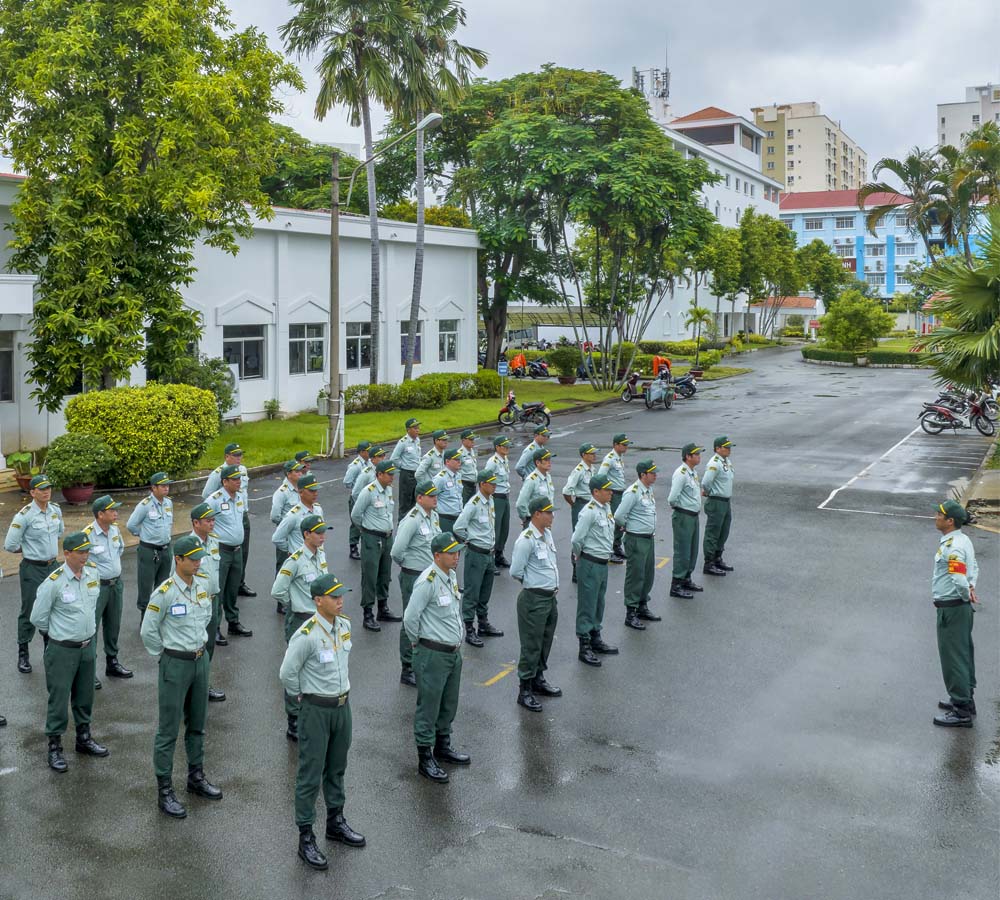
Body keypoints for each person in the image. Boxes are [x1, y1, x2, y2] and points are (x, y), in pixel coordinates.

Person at [279, 574, 365, 871]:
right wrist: (302, 698)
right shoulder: (306, 635)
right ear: (318, 600)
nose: (340, 600)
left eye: (341, 595)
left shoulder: (344, 626)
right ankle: (305, 836)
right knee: (310, 774)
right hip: (316, 710)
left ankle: (335, 822)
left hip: (342, 707)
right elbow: (287, 674)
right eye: (334, 596)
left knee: (337, 766)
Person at [140, 535, 222, 818]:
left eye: (200, 558)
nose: (199, 562)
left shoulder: (203, 586)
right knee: (168, 730)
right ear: (178, 560)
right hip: (175, 663)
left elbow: (208, 617)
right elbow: (148, 630)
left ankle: (195, 776)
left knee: (198, 724)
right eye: (193, 558)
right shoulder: (164, 592)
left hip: (200, 661)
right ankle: (164, 790)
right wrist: (164, 656)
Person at [30, 532, 110, 772]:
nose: (85, 556)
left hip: (87, 647)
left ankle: (83, 739)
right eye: (81, 552)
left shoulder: (93, 575)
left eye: (87, 552)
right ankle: (54, 747)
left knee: (85, 696)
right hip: (62, 649)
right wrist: (57, 636)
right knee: (59, 698)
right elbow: (38, 618)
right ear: (67, 553)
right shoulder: (54, 582)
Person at [403, 533, 471, 784]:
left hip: (452, 653)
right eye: (452, 553)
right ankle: (425, 756)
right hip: (432, 653)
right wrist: (419, 644)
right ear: (437, 555)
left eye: (457, 552)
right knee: (428, 707)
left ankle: (443, 746)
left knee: (448, 703)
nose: (457, 556)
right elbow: (411, 618)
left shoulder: (450, 576)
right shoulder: (427, 581)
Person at [272, 515, 330, 742]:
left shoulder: (320, 555)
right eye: (318, 532)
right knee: (295, 669)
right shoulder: (295, 560)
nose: (323, 536)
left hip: (319, 619)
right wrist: (295, 604)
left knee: (315, 668)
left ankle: (311, 715)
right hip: (300, 619)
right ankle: (293, 720)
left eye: (324, 531)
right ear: (306, 534)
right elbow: (277, 591)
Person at [5, 474, 64, 675]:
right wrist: (28, 548)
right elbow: (10, 544)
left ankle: (50, 649)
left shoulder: (56, 510)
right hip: (32, 568)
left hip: (53, 566)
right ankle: (23, 652)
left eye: (48, 488)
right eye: (41, 489)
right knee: (30, 610)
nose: (46, 491)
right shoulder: (25, 515)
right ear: (32, 492)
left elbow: (59, 533)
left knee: (53, 607)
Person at [931, 500, 980, 728]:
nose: (935, 516)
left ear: (950, 521)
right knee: (962, 653)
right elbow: (975, 568)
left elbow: (958, 576)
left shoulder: (954, 546)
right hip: (957, 606)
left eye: (940, 514)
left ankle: (961, 710)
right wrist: (970, 588)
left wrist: (964, 592)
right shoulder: (962, 540)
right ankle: (965, 699)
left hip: (952, 607)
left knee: (953, 658)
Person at [510, 496, 561, 712]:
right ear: (536, 514)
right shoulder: (526, 539)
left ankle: (538, 679)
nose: (552, 516)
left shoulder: (546, 534)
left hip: (549, 598)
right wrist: (533, 585)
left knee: (544, 641)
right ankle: (525, 689)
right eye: (548, 512)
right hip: (534, 599)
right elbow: (515, 571)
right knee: (531, 645)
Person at [390, 480, 441, 686]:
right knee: (411, 619)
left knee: (427, 619)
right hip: (413, 575)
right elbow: (396, 552)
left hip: (429, 576)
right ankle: (407, 666)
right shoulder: (412, 520)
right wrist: (410, 566)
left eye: (436, 495)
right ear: (420, 498)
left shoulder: (433, 516)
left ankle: (421, 660)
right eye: (431, 495)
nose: (435, 498)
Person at [82, 495, 132, 689]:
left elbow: (119, 551)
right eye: (111, 510)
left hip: (115, 585)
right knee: (92, 628)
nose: (115, 513)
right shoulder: (87, 534)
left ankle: (112, 662)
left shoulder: (115, 530)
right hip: (97, 587)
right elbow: (81, 562)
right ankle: (89, 670)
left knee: (113, 625)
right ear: (100, 514)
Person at [570, 475, 619, 666]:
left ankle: (595, 637)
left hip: (602, 563)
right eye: (606, 489)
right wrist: (579, 557)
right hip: (590, 562)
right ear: (595, 492)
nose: (610, 492)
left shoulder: (606, 508)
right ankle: (584, 645)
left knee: (599, 602)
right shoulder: (589, 512)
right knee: (587, 604)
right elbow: (576, 540)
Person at [350, 459, 401, 632]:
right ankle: (368, 614)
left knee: (385, 574)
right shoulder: (369, 491)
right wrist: (366, 532)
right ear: (379, 474)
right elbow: (356, 515)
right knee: (370, 576)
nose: (392, 477)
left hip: (387, 538)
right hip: (372, 538)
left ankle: (383, 608)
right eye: (389, 474)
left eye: (393, 474)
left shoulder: (388, 490)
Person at [204, 464, 252, 638]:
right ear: (224, 481)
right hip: (221, 551)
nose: (239, 482)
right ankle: (214, 627)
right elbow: (201, 520)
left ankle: (233, 622)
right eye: (235, 479)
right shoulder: (215, 500)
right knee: (218, 589)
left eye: (240, 478)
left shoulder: (240, 497)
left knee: (232, 589)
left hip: (236, 550)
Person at [454, 468, 500, 648]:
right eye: (491, 483)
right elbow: (458, 527)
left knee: (485, 591)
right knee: (472, 592)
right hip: (476, 553)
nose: (495, 485)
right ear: (482, 484)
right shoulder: (474, 504)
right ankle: (469, 628)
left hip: (489, 554)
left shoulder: (490, 501)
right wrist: (469, 541)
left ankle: (483, 623)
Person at [202, 443, 255, 599]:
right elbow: (206, 495)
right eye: (235, 455)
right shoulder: (218, 473)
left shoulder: (243, 470)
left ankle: (239, 583)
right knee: (226, 554)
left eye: (240, 455)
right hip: (225, 516)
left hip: (241, 513)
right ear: (227, 457)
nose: (239, 458)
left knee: (242, 552)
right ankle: (224, 587)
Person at [615, 460, 662, 630]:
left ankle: (642, 606)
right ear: (643, 475)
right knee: (635, 575)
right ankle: (631, 612)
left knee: (648, 574)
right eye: (652, 472)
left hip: (647, 538)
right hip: (636, 539)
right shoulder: (633, 492)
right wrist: (628, 527)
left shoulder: (648, 490)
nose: (655, 474)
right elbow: (619, 515)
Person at [188, 503, 226, 702]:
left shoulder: (213, 541)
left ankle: (203, 683)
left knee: (209, 645)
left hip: (212, 600)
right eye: (208, 521)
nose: (212, 523)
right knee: (195, 645)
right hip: (196, 604)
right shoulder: (187, 546)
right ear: (196, 523)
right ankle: (191, 685)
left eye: (213, 520)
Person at [271, 474, 325, 614]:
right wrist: (290, 551)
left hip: (317, 557)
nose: (315, 493)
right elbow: (277, 538)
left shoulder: (318, 509)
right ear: (301, 492)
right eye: (311, 490)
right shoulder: (293, 515)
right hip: (301, 561)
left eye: (316, 490)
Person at [126, 472, 174, 619]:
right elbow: (131, 525)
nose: (166, 488)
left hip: (166, 548)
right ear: (153, 488)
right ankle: (145, 616)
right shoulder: (145, 505)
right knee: (146, 585)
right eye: (163, 486)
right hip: (149, 550)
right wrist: (144, 535)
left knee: (163, 584)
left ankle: (159, 614)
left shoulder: (168, 503)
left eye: (167, 485)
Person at [668, 444, 703, 599]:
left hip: (693, 516)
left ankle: (686, 578)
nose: (699, 456)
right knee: (682, 551)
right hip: (684, 517)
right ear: (688, 456)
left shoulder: (692, 472)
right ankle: (676, 584)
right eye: (696, 454)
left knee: (692, 550)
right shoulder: (681, 473)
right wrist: (683, 510)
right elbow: (672, 499)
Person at [562, 443, 597, 583]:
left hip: (590, 504)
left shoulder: (592, 469)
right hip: (581, 504)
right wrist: (573, 504)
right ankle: (576, 570)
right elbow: (566, 491)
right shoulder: (579, 470)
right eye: (591, 453)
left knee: (590, 537)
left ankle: (586, 569)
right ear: (583, 455)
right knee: (579, 537)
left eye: (594, 453)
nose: (594, 455)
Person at [701, 436, 735, 576]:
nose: (728, 449)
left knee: (723, 531)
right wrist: (710, 493)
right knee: (713, 533)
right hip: (716, 501)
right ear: (717, 449)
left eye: (729, 447)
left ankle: (717, 557)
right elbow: (706, 482)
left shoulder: (726, 461)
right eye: (725, 447)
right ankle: (709, 563)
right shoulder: (714, 463)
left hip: (725, 502)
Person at [597, 434, 631, 562]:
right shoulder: (609, 459)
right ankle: (609, 550)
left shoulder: (619, 457)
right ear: (616, 445)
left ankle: (616, 546)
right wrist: (606, 494)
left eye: (627, 444)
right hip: (614, 494)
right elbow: (601, 476)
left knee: (619, 523)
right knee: (613, 523)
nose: (626, 447)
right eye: (623, 444)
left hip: (620, 493)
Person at [271, 460, 305, 568]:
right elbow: (275, 516)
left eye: (301, 470)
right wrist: (287, 525)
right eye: (297, 471)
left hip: (300, 534)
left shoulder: (301, 489)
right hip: (287, 535)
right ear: (289, 474)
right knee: (285, 567)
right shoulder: (282, 493)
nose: (301, 473)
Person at [343, 442, 372, 561]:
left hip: (368, 497)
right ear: (361, 452)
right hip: (357, 497)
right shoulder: (355, 466)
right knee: (356, 523)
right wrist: (356, 489)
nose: (369, 453)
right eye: (367, 450)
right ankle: (353, 548)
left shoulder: (369, 463)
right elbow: (347, 482)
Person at [488, 435, 513, 569]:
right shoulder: (493, 462)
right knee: (495, 529)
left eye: (508, 446)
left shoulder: (504, 459)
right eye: (504, 446)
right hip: (496, 497)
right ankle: (491, 560)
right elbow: (486, 479)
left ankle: (499, 554)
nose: (507, 448)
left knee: (504, 528)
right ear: (497, 447)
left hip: (505, 496)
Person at [389, 418, 422, 517]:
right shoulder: (403, 442)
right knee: (405, 503)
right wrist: (404, 467)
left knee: (415, 501)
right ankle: (402, 525)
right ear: (408, 430)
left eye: (418, 427)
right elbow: (394, 459)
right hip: (407, 475)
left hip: (416, 474)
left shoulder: (417, 440)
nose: (418, 430)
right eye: (415, 428)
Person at [515, 448, 555, 527]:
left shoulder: (548, 477)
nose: (549, 462)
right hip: (535, 522)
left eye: (549, 459)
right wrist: (527, 519)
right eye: (546, 460)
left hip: (547, 521)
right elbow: (520, 503)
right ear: (537, 462)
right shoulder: (531, 480)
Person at [432, 449, 464, 534]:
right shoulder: (440, 478)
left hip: (458, 519)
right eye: (456, 460)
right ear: (447, 461)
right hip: (445, 520)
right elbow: (430, 497)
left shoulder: (458, 476)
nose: (459, 462)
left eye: (459, 459)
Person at [458, 430, 479, 505]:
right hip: (465, 486)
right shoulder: (459, 454)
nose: (473, 441)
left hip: (473, 486)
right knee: (464, 507)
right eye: (470, 439)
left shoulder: (472, 451)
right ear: (463, 440)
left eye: (473, 439)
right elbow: (456, 471)